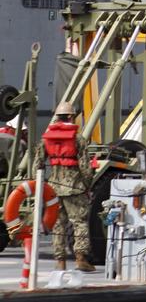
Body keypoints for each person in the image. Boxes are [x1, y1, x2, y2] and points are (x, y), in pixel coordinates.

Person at [35, 100, 94, 272]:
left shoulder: (46, 138)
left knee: (58, 224)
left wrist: (40, 186)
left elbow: (37, 164)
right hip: (75, 188)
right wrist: (87, 185)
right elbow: (85, 167)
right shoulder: (78, 139)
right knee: (79, 222)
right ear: (71, 116)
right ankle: (81, 259)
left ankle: (60, 261)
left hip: (54, 188)